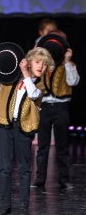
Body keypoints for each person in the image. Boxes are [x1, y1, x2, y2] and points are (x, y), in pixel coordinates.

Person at [0, 43, 53, 215]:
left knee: (24, 169)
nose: (41, 67)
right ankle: (6, 204)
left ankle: (23, 206)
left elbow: (33, 94)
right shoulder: (9, 80)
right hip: (6, 127)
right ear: (28, 62)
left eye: (44, 64)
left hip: (23, 129)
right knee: (5, 168)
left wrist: (27, 75)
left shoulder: (39, 85)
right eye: (37, 63)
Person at [32, 30, 80, 189]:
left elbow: (73, 82)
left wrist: (67, 62)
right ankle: (39, 179)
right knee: (43, 146)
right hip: (44, 106)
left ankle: (63, 179)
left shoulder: (69, 65)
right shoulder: (42, 65)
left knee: (62, 146)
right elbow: (31, 80)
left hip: (61, 107)